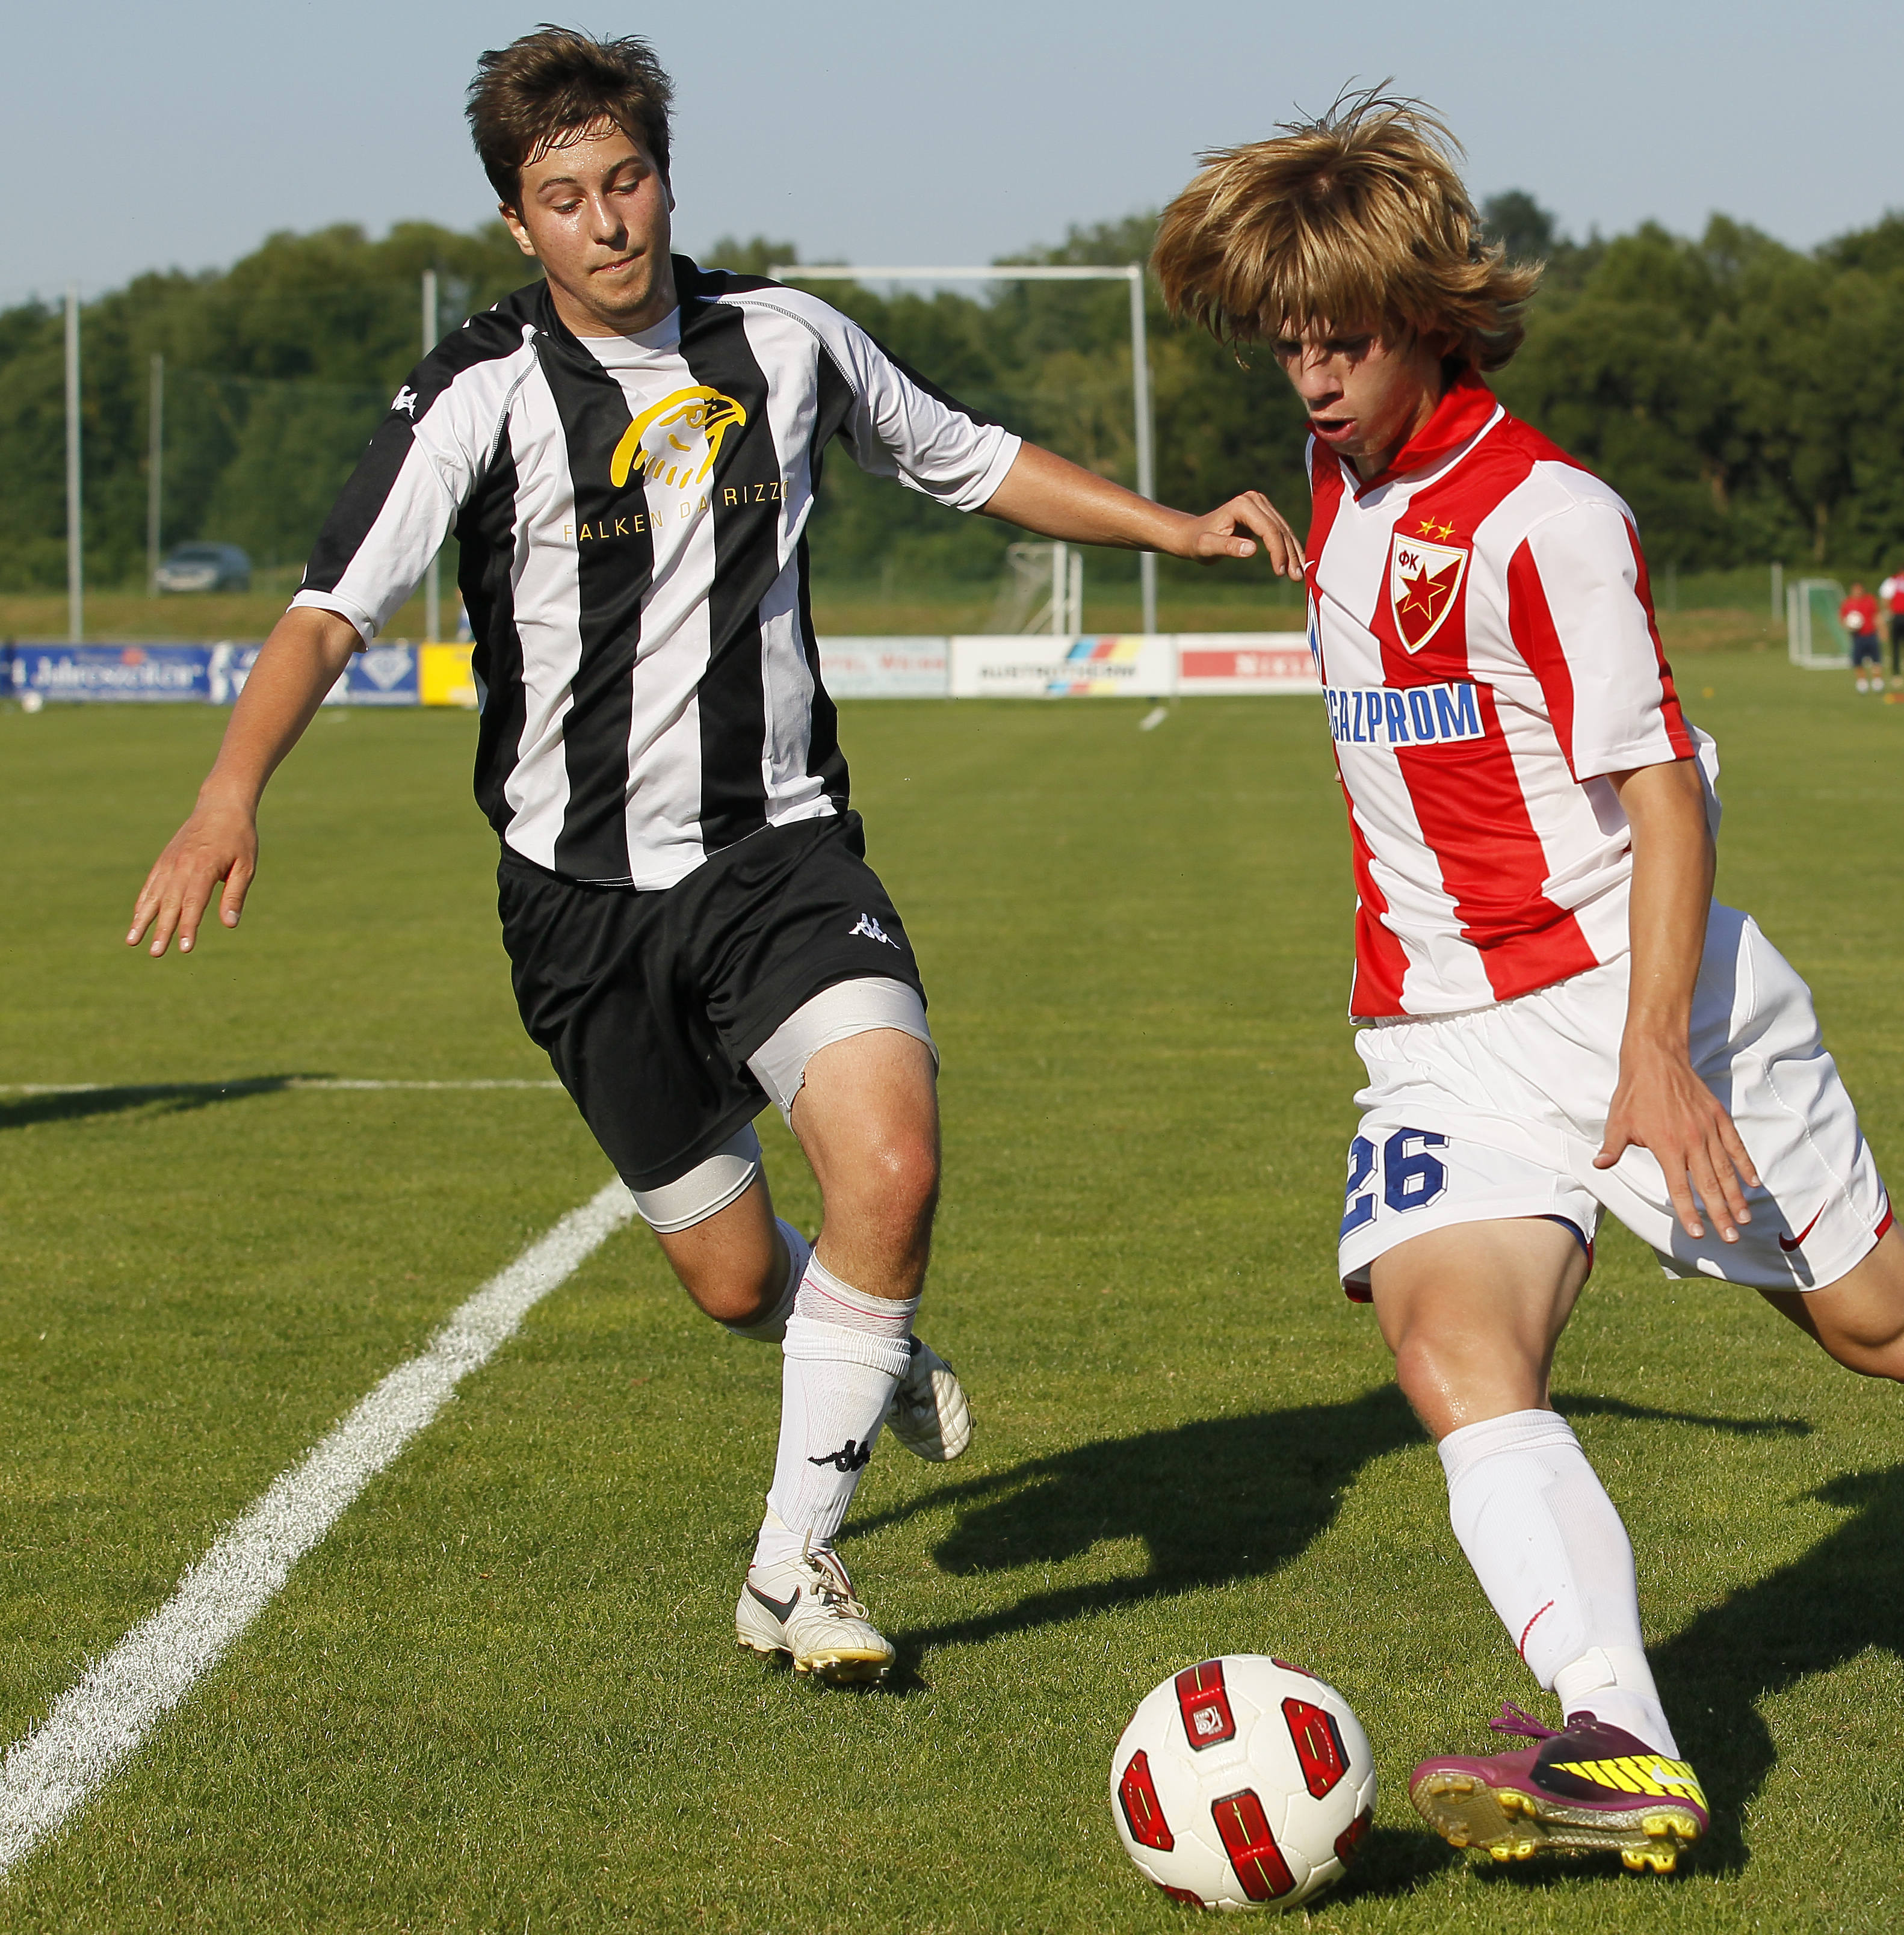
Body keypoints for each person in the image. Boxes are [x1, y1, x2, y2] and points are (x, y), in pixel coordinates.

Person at [1152, 89, 1904, 1874]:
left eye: (1345, 341)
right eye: (1289, 345)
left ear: (1435, 317)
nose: (1312, 379)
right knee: (1448, 1344)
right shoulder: (1336, 478)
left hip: (1654, 998)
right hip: (1440, 1035)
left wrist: (1659, 1060)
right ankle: (1621, 1737)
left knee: (1897, 1329)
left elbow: (1666, 796)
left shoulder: (1547, 519)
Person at [123, 29, 1301, 1679]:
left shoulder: (787, 341)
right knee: (739, 1280)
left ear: (666, 175)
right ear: (516, 226)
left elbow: (971, 460)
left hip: (782, 858)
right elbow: (331, 611)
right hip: (583, 912)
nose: (608, 223)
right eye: (564, 200)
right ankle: (863, 1345)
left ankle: (792, 1569)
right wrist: (228, 790)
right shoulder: (480, 397)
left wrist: (1178, 528)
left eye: (628, 181)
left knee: (891, 1164)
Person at [1838, 581, 1884, 692]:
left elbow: (1877, 615)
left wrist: (1883, 629)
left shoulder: (1870, 600)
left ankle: (1877, 682)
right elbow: (1842, 618)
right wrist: (1848, 626)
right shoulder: (1848, 603)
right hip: (1858, 637)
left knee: (1876, 659)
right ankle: (1862, 683)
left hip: (1871, 634)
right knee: (1858, 660)